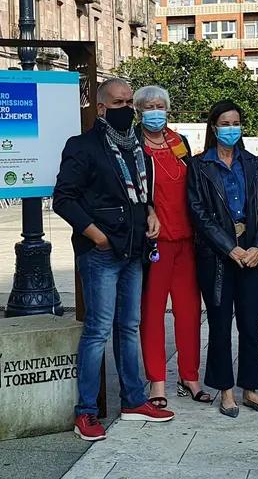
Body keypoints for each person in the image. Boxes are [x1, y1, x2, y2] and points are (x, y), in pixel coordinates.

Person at [55, 78, 174, 442]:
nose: (127, 110)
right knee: (97, 331)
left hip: (134, 251)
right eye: (119, 104)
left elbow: (141, 194)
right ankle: (86, 412)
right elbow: (64, 198)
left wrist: (151, 214)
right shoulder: (84, 146)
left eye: (130, 104)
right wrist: (98, 237)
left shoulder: (137, 148)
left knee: (128, 327)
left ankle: (134, 399)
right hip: (102, 253)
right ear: (102, 108)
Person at [187, 100, 258, 417]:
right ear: (214, 127)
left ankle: (250, 388)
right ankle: (225, 391)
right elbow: (199, 214)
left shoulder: (252, 164)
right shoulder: (200, 166)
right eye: (225, 123)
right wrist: (230, 248)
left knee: (252, 324)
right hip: (217, 257)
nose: (231, 128)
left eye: (235, 122)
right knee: (220, 325)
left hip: (252, 255)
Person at [134, 85, 210, 407]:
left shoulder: (180, 142)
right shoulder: (133, 145)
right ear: (139, 112)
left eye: (160, 106)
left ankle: (189, 376)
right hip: (155, 242)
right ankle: (157, 382)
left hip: (187, 240)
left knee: (190, 311)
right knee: (152, 313)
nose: (156, 111)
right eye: (149, 106)